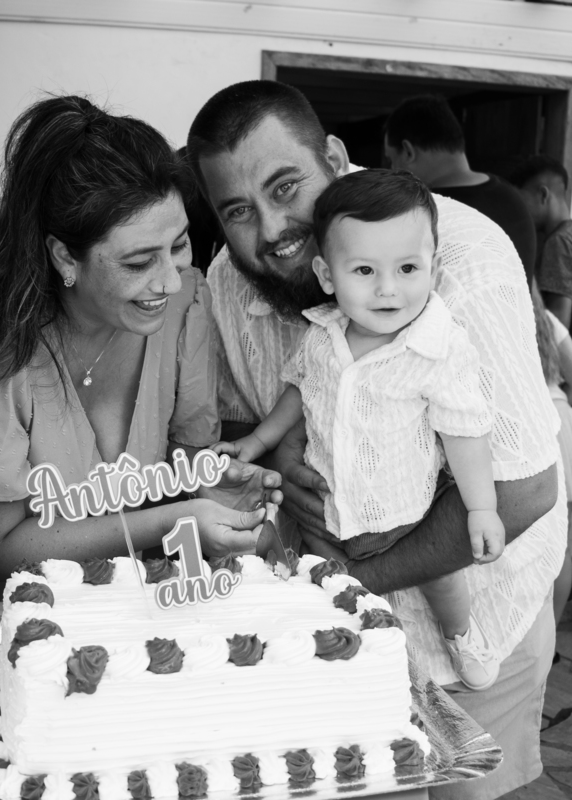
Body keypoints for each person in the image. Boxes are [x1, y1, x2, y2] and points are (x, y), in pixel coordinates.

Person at [188, 80, 565, 800]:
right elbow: (245, 425)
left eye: (286, 187)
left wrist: (351, 578)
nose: (272, 228)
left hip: (477, 630)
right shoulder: (230, 283)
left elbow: (522, 488)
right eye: (238, 210)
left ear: (334, 158)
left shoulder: (465, 259)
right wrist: (283, 454)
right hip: (332, 645)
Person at [0, 96, 278, 606]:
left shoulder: (184, 305)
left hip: (128, 615)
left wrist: (210, 486)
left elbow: (183, 456)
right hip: (10, 622)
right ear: (65, 257)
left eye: (178, 245)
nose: (169, 281)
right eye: (138, 263)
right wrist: (173, 520)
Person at [216, 170, 505, 690]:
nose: (388, 288)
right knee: (324, 577)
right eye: (365, 270)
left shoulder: (436, 347)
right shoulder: (323, 335)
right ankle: (349, 644)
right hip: (328, 510)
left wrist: (481, 508)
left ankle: (461, 633)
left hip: (407, 514)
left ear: (434, 269)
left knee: (442, 576)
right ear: (327, 276)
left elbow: (466, 430)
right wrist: (259, 441)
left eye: (408, 268)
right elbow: (298, 391)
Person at [384, 94, 538, 279]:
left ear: (408, 152)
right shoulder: (512, 199)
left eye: (391, 160)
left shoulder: (423, 213)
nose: (392, 170)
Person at [529, 280, 572, 623]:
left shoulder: (495, 314)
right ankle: (551, 634)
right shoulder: (547, 320)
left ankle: (537, 635)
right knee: (561, 542)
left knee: (529, 544)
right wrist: (555, 406)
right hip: (561, 419)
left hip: (534, 427)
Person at [510, 155, 572, 359]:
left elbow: (558, 325)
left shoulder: (560, 243)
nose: (519, 210)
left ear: (543, 195)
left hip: (564, 371)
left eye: (521, 200)